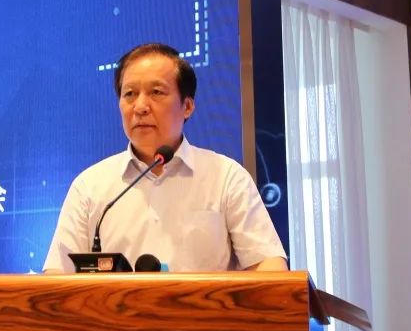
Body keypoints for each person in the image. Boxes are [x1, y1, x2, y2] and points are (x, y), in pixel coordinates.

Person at [43, 43, 288, 273]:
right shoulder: (89, 186)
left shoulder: (226, 177)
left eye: (156, 92)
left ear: (187, 106)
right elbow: (57, 276)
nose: (140, 106)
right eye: (130, 94)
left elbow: (268, 267)